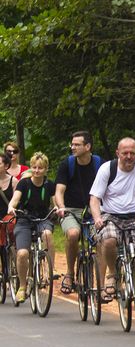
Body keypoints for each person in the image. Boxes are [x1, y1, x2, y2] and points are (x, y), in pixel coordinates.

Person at [89, 137, 135, 308]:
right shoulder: (107, 169)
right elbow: (95, 198)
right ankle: (113, 273)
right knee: (109, 240)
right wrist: (97, 218)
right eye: (125, 153)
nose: (129, 156)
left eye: (133, 153)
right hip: (111, 215)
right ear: (118, 153)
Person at [53, 130, 102, 295]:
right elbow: (59, 191)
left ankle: (104, 280)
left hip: (94, 210)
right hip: (71, 210)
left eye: (77, 144)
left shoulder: (99, 164)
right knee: (73, 234)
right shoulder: (67, 164)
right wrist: (61, 207)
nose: (72, 147)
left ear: (87, 146)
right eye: (72, 144)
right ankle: (69, 273)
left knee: (102, 238)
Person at [7, 151, 55, 303]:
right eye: (34, 167)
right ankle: (22, 286)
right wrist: (11, 208)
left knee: (47, 234)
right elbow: (15, 199)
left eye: (40, 168)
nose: (36, 170)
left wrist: (59, 209)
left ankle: (49, 270)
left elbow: (55, 202)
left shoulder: (49, 184)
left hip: (43, 218)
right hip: (24, 219)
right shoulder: (24, 183)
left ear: (45, 169)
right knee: (22, 254)